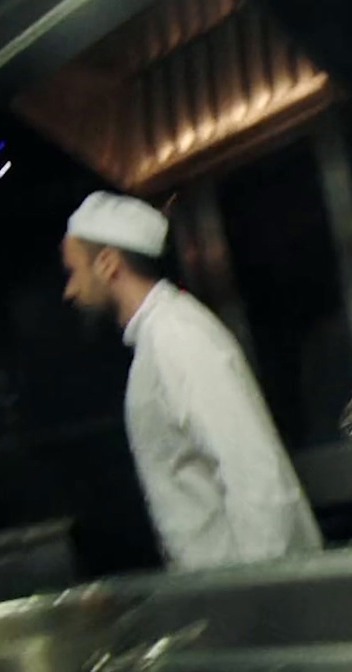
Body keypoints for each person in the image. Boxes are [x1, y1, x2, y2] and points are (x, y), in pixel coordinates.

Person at [61, 192, 322, 570]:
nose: (69, 290)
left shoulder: (176, 335)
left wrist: (262, 597)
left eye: (73, 272)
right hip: (225, 593)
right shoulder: (157, 339)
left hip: (252, 595)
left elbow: (255, 475)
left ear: (106, 264)